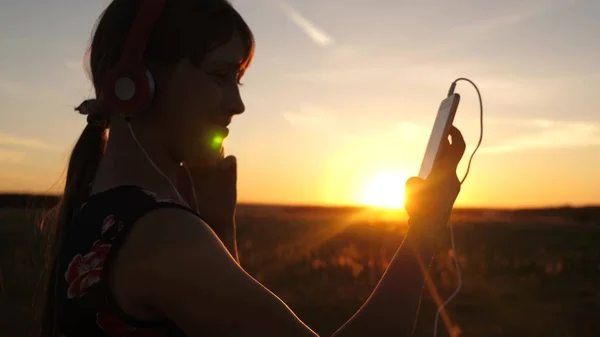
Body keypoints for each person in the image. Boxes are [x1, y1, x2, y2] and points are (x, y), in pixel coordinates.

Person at [39, 0, 466, 336]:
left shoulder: (100, 214)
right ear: (138, 84)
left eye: (238, 80)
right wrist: (425, 227)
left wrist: (220, 225)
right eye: (221, 75)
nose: (237, 105)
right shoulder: (160, 236)